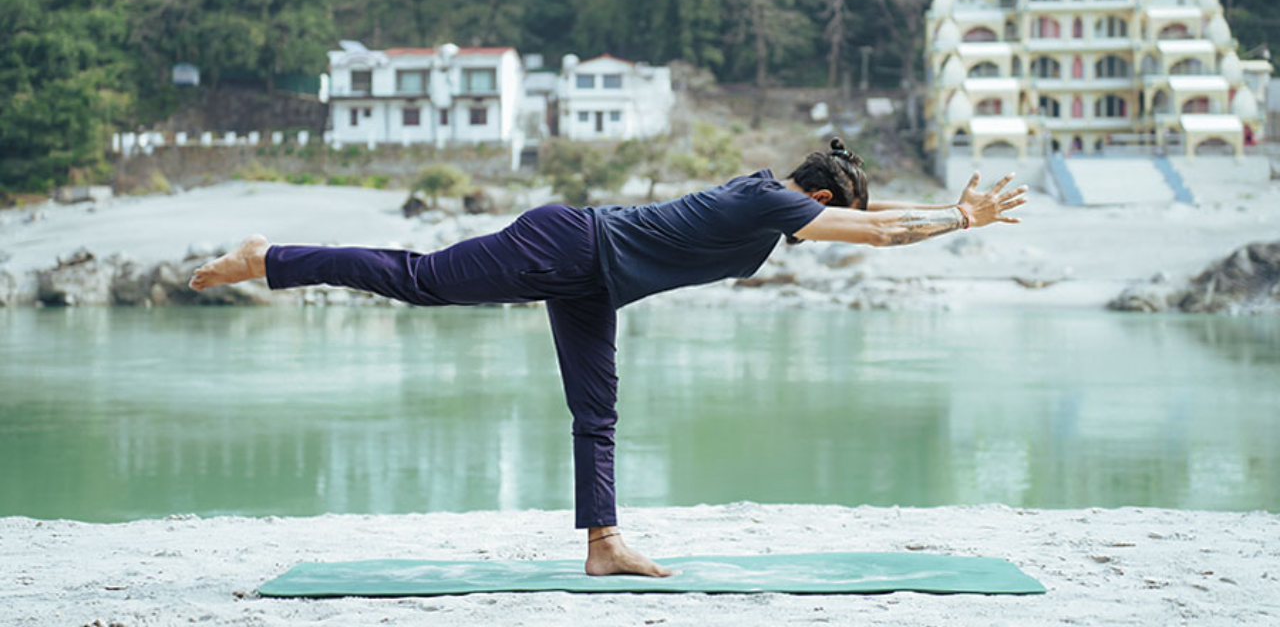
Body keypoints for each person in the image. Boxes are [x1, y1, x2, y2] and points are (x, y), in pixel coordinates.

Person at [188, 138, 1027, 579]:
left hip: (595, 279)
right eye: (830, 218)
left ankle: (604, 542)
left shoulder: (776, 209)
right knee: (422, 282)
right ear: (817, 199)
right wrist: (963, 219)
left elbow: (874, 226)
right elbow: (876, 233)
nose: (825, 231)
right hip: (567, 245)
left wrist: (952, 213)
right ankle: (271, 258)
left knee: (598, 411)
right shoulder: (769, 198)